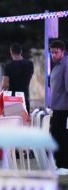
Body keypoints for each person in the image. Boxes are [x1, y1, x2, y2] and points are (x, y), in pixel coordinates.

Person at [48, 40, 68, 174]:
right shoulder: (58, 65)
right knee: (56, 135)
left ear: (63, 52)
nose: (53, 55)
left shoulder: (66, 64)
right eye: (52, 52)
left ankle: (64, 166)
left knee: (61, 137)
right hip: (57, 108)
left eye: (56, 52)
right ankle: (60, 164)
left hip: (64, 109)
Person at [1, 43, 34, 112]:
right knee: (24, 121)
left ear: (11, 52)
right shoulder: (29, 64)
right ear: (21, 51)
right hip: (24, 97)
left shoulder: (8, 65)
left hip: (11, 99)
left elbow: (4, 85)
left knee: (12, 120)